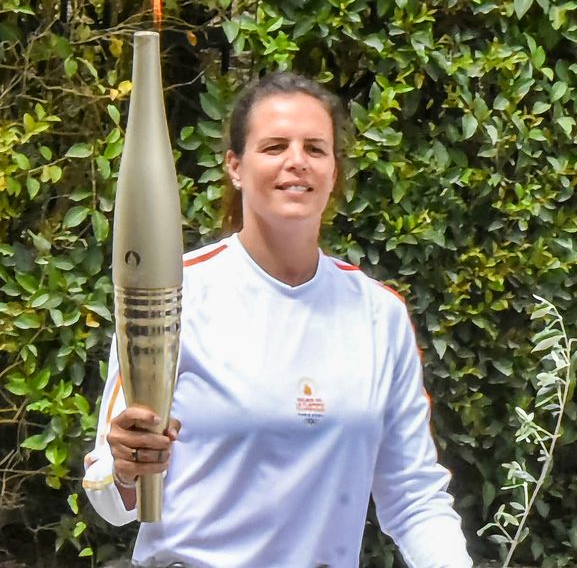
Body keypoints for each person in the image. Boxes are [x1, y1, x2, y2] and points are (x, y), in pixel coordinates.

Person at [83, 72, 473, 568]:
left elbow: (414, 495)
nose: (296, 161)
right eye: (273, 146)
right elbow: (109, 496)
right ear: (236, 167)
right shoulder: (172, 296)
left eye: (315, 147)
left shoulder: (379, 315)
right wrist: (123, 470)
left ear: (334, 171)